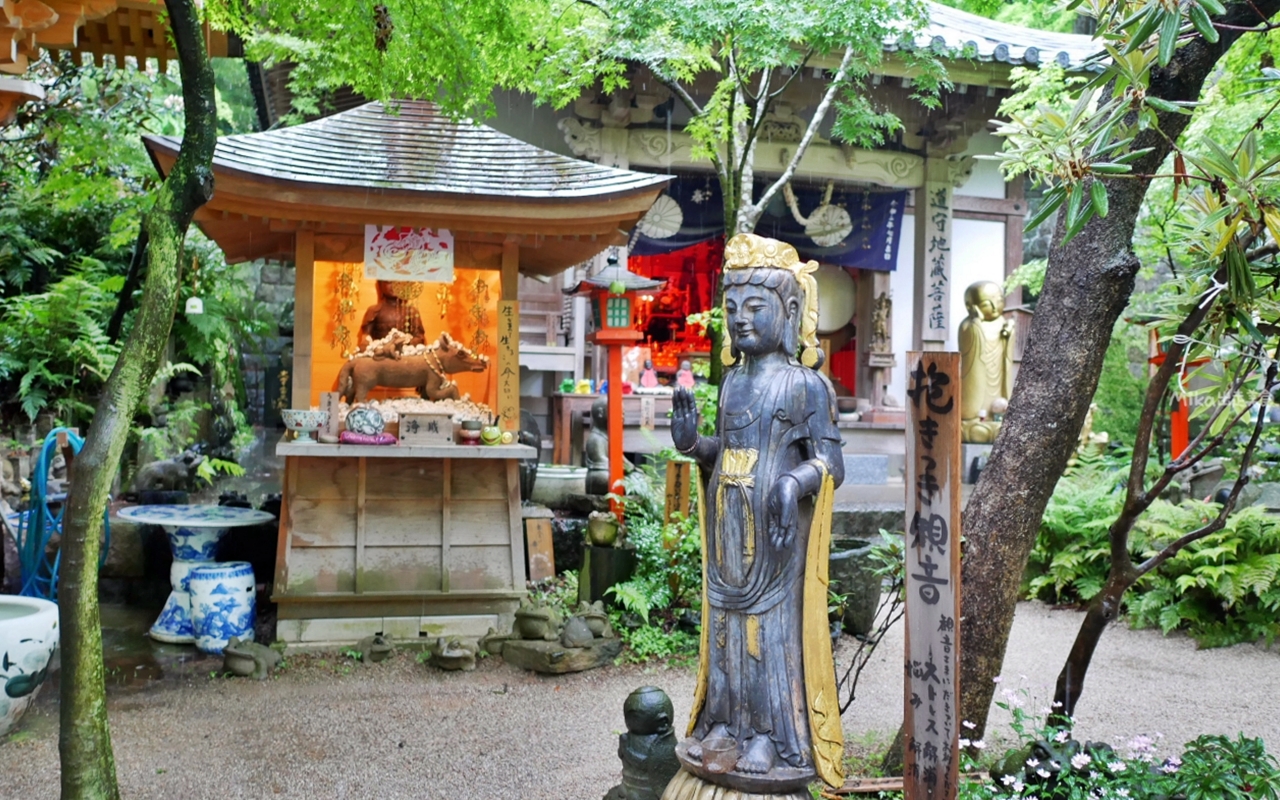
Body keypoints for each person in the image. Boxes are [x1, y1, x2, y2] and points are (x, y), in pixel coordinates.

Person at [670, 233, 845, 792]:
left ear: (789, 311)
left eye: (755, 306)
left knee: (767, 631)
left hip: (775, 530)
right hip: (728, 522)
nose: (740, 319)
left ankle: (770, 732)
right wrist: (693, 442)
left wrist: (794, 483)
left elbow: (831, 461)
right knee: (724, 626)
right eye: (731, 308)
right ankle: (725, 722)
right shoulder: (732, 384)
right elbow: (721, 451)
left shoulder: (806, 385)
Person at [958, 280, 1015, 443]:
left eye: (998, 301)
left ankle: (998, 418)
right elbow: (969, 357)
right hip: (978, 386)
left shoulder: (1003, 324)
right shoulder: (968, 326)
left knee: (1002, 423)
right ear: (971, 306)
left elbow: (1008, 357)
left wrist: (1009, 333)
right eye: (986, 304)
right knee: (971, 429)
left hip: (998, 382)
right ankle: (976, 418)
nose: (995, 307)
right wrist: (976, 323)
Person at [358, 280, 425, 347]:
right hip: (381, 352)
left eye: (398, 282)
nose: (394, 286)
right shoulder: (373, 310)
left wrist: (406, 342)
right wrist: (365, 343)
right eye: (389, 282)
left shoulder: (411, 311)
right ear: (381, 284)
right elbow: (366, 336)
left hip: (405, 352)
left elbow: (420, 338)